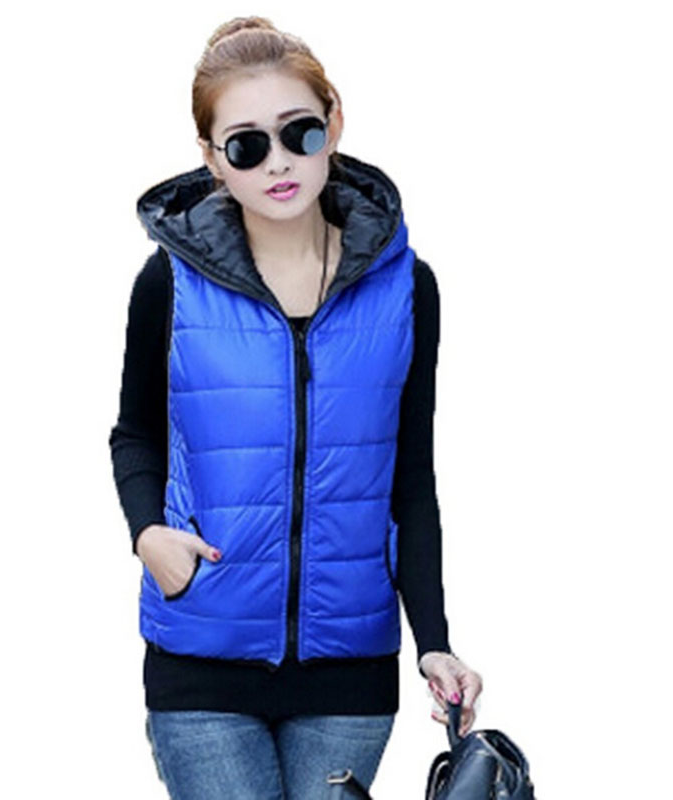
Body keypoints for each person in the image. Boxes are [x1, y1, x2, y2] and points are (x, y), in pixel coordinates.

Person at [109, 15, 483, 800]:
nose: (278, 162)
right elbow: (135, 433)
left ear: (333, 123)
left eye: (299, 133)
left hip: (349, 675)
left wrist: (434, 640)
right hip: (202, 660)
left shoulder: (407, 290)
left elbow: (410, 478)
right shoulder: (168, 286)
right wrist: (148, 536)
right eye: (246, 145)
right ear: (212, 159)